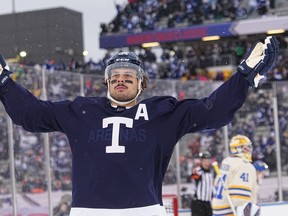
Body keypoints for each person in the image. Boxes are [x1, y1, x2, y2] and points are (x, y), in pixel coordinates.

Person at [0, 36, 278, 216]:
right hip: (88, 211)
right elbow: (31, 115)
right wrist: (4, 83)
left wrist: (243, 77)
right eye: (115, 76)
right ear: (106, 82)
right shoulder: (81, 109)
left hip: (145, 210)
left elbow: (212, 111)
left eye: (129, 76)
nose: (121, 80)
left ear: (142, 83)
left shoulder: (162, 112)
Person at [212, 135, 260, 216]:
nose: (249, 150)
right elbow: (239, 197)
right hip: (230, 212)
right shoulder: (245, 165)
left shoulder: (227, 161)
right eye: (245, 148)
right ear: (237, 149)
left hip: (217, 210)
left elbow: (216, 184)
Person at [191, 151, 214, 216]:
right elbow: (194, 177)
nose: (206, 163)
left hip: (208, 203)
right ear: (201, 161)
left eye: (208, 161)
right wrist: (194, 172)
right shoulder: (198, 171)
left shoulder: (211, 172)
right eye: (204, 161)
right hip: (198, 203)